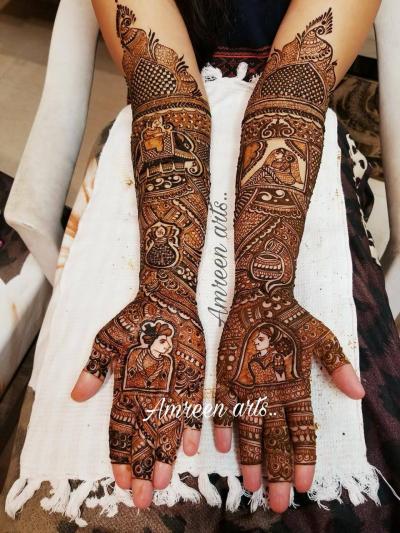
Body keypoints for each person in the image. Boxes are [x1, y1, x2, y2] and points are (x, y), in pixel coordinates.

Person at [70, 0, 384, 515]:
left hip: (296, 130)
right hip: (158, 129)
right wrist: (165, 290)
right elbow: (161, 84)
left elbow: (295, 83)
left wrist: (266, 291)